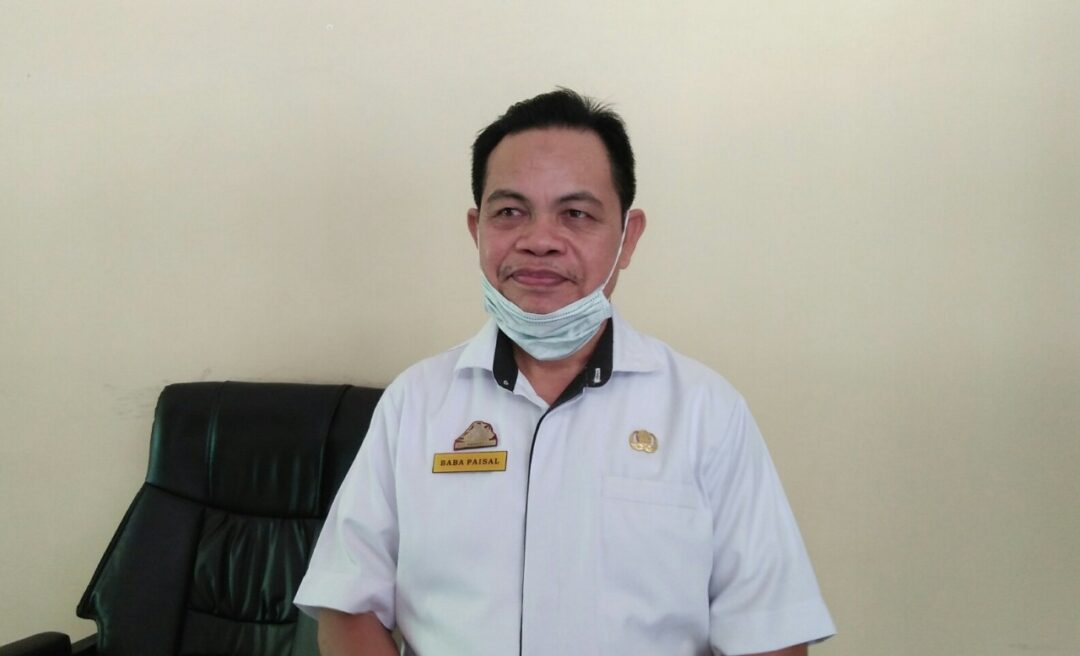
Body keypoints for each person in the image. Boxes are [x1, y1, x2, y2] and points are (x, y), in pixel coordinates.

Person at [294, 89, 835, 656]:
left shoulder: (706, 411)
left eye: (576, 214)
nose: (539, 242)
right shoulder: (416, 401)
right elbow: (348, 605)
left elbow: (770, 632)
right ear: (477, 229)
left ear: (628, 237)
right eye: (510, 212)